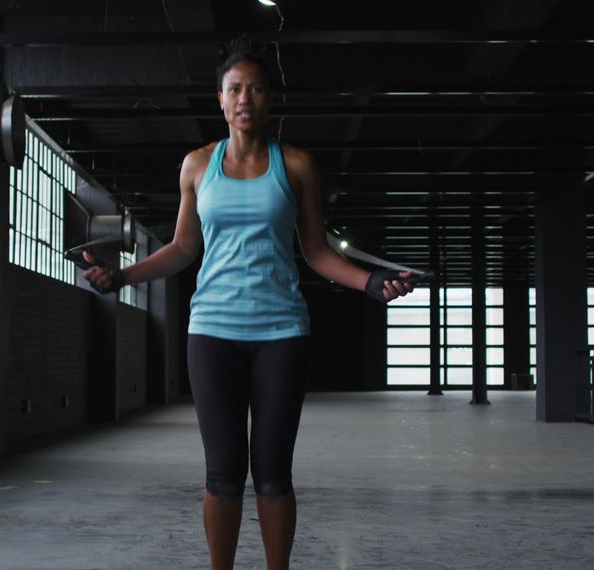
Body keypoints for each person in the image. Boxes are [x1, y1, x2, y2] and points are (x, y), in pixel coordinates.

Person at [80, 38, 415, 570]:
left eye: (256, 89)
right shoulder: (197, 166)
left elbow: (316, 252)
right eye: (235, 89)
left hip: (282, 332)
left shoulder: (297, 165)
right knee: (224, 471)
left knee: (274, 471)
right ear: (220, 99)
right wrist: (121, 276)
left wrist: (371, 284)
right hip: (212, 331)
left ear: (270, 99)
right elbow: (182, 248)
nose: (245, 99)